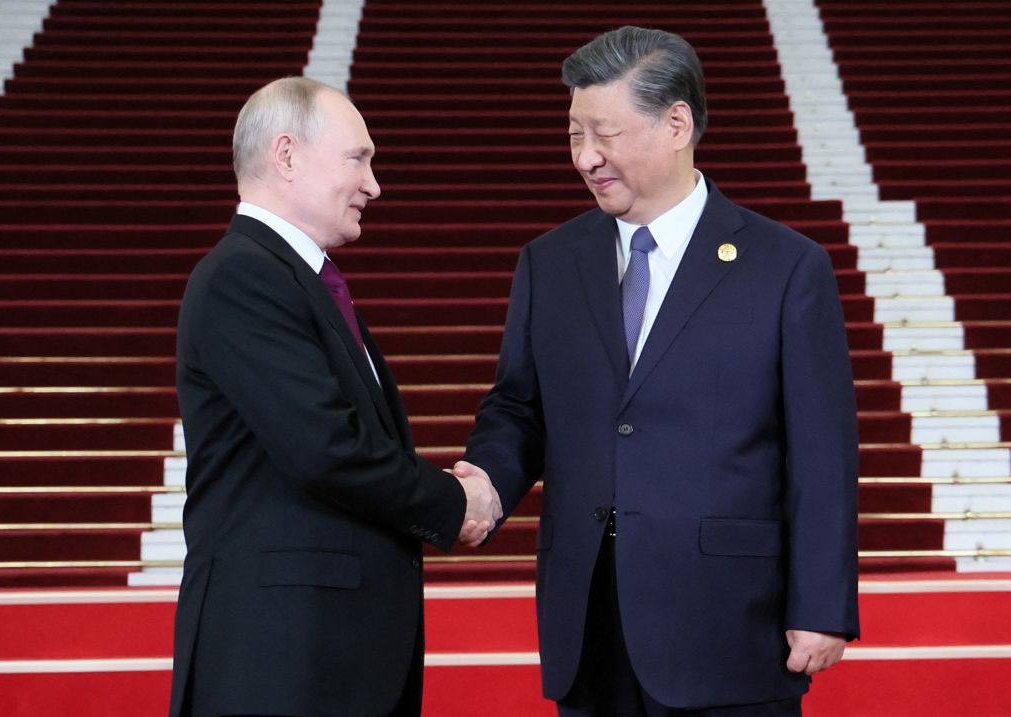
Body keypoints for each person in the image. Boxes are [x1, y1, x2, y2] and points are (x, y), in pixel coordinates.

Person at [453, 26, 860, 716]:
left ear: (677, 123)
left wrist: (822, 603)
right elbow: (519, 407)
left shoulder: (786, 266)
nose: (585, 157)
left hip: (731, 623)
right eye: (575, 133)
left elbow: (822, 450)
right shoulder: (549, 263)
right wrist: (486, 481)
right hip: (588, 622)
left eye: (604, 133)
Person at [169, 77, 501, 717]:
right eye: (359, 159)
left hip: (323, 654)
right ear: (286, 156)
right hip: (283, 659)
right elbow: (326, 448)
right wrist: (454, 501)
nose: (374, 184)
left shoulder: (293, 280)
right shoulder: (244, 276)